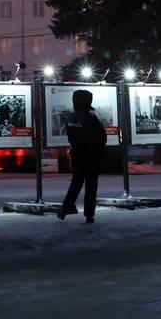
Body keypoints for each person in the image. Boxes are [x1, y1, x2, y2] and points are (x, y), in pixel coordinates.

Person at [58, 89, 107, 224]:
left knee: (76, 183)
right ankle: (89, 215)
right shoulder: (91, 118)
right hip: (91, 156)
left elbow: (70, 137)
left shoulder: (70, 118)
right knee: (91, 186)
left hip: (77, 155)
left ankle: (64, 209)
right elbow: (102, 137)